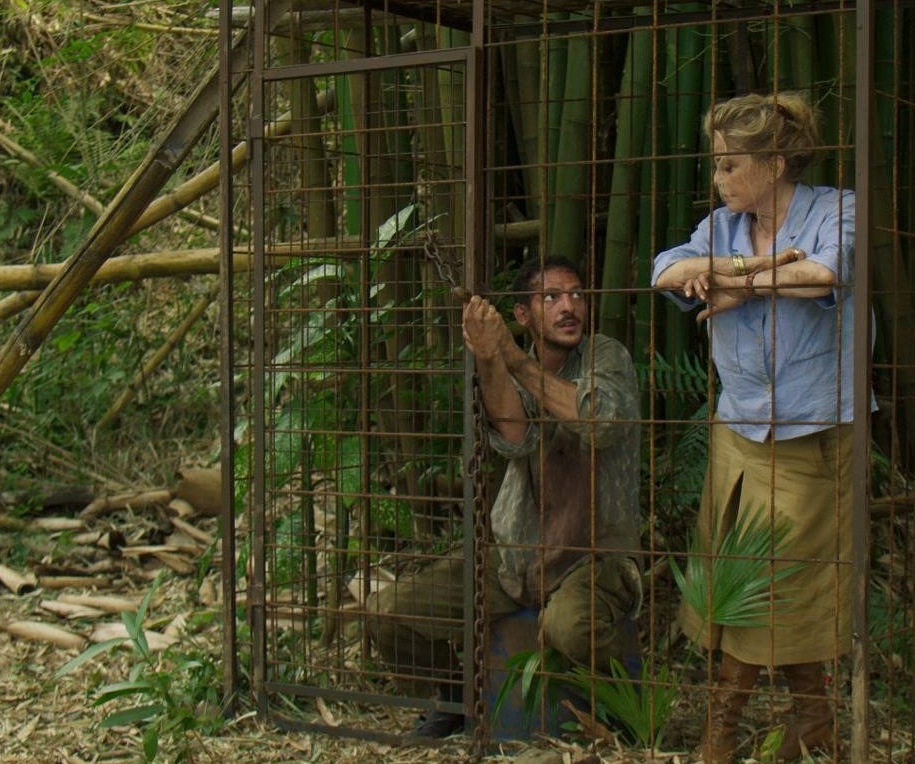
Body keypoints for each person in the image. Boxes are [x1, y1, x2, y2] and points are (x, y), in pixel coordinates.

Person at [651, 91, 869, 763]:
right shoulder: (721, 227)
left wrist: (740, 288)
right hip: (739, 428)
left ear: (775, 163)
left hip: (816, 428)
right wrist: (759, 267)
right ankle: (814, 718)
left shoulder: (838, 209)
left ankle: (725, 725)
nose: (719, 181)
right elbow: (668, 270)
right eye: (717, 166)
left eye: (728, 166)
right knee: (733, 571)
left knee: (788, 579)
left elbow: (827, 274)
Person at [367, 254, 643, 738]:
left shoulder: (606, 354)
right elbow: (515, 437)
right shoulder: (521, 366)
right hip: (516, 555)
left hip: (593, 557)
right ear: (522, 315)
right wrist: (492, 356)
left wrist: (513, 358)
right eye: (551, 297)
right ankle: (456, 697)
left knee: (569, 628)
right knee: (391, 613)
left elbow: (598, 420)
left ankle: (628, 709)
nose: (568, 307)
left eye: (576, 294)